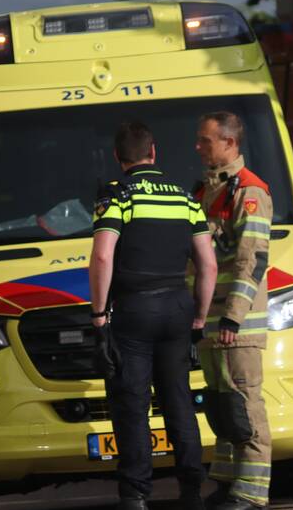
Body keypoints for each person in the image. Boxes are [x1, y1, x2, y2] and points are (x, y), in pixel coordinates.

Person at [89, 121, 217, 510]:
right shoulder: (185, 198)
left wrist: (98, 317)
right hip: (178, 306)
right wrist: (198, 318)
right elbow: (208, 266)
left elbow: (102, 255)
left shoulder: (119, 196)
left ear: (118, 157)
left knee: (132, 404)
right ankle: (192, 491)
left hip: (134, 308)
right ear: (154, 153)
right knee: (178, 400)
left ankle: (135, 496)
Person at [193, 111, 273, 510]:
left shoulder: (250, 192)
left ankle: (251, 493)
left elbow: (252, 260)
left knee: (245, 406)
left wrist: (232, 317)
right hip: (212, 320)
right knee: (222, 407)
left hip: (234, 323)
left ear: (230, 142)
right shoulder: (205, 190)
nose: (198, 146)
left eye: (205, 140)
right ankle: (227, 482)